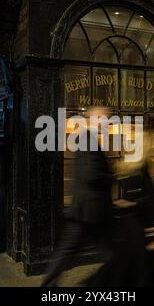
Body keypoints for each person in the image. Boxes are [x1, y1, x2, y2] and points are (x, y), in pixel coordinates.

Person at [41, 107, 113, 287]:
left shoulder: (89, 139)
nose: (107, 122)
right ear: (95, 119)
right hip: (89, 209)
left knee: (102, 252)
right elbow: (90, 174)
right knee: (72, 251)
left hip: (88, 208)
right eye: (104, 119)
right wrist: (111, 177)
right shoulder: (88, 139)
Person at [87, 131, 154, 287]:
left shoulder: (126, 165)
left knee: (129, 261)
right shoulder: (143, 167)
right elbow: (148, 199)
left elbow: (124, 194)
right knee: (148, 264)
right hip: (144, 222)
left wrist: (125, 203)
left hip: (129, 221)